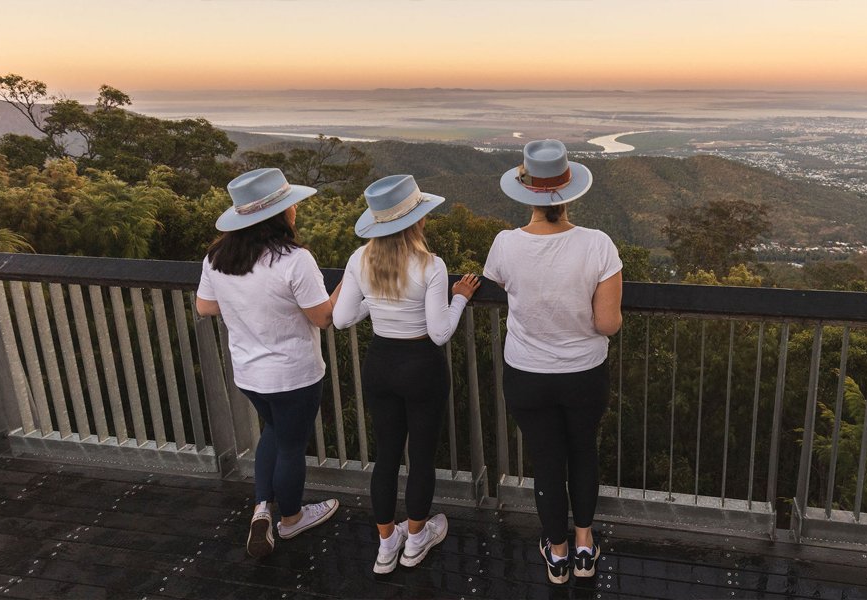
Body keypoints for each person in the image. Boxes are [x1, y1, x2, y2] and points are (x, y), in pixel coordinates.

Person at [483, 140, 623, 584]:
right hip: (583, 373)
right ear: (569, 191)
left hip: (527, 373)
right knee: (583, 452)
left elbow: (502, 287)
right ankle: (585, 547)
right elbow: (607, 324)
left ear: (524, 190)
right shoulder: (597, 245)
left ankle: (557, 554)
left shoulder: (504, 245)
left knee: (546, 460)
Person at [331, 175, 481, 573]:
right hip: (421, 367)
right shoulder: (431, 265)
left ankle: (385, 547)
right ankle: (415, 540)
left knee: (386, 458)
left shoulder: (358, 259)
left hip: (379, 364)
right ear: (416, 220)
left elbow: (342, 318)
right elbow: (439, 332)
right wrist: (460, 299)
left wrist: (376, 305)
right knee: (421, 458)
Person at [195, 168, 339, 558]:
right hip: (294, 374)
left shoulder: (218, 257)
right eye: (291, 205)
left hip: (249, 373)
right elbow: (323, 317)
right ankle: (291, 521)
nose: (295, 211)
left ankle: (262, 508)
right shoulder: (295, 259)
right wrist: (347, 284)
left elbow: (205, 306)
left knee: (272, 432)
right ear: (280, 214)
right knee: (292, 447)